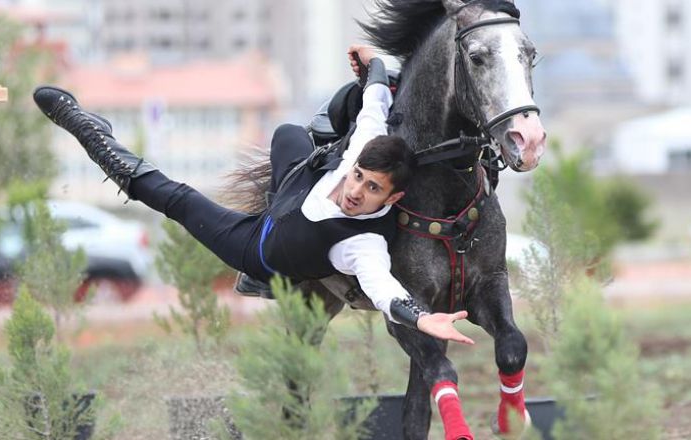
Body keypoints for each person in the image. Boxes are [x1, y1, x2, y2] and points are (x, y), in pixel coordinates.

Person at [33, 45, 474, 345]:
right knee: (287, 134)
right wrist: (372, 61)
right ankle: (287, 182)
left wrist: (421, 318)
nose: (355, 191)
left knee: (179, 199)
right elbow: (376, 99)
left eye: (372, 189)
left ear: (391, 200)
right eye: (358, 177)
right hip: (292, 193)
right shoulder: (365, 147)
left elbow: (384, 290)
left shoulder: (364, 245)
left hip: (256, 246)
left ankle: (93, 136)